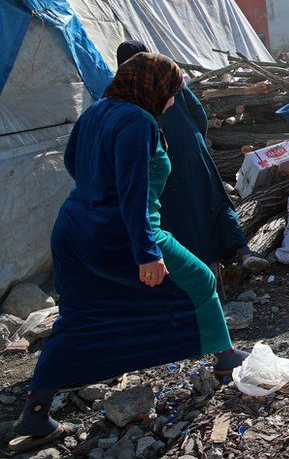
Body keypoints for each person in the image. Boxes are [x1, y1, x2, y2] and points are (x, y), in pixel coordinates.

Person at [9, 53, 248, 453]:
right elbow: (133, 194)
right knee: (200, 280)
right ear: (155, 88)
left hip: (74, 228)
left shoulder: (98, 110)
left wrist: (95, 194)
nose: (173, 98)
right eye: (172, 90)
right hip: (123, 231)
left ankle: (35, 414)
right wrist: (146, 252)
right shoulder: (139, 122)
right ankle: (225, 360)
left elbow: (72, 161)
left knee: (79, 313)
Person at [115, 41, 268, 273]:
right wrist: (197, 141)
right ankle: (243, 251)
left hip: (161, 156)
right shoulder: (166, 76)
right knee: (213, 198)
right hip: (192, 147)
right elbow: (199, 113)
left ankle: (203, 264)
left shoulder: (126, 91)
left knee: (180, 211)